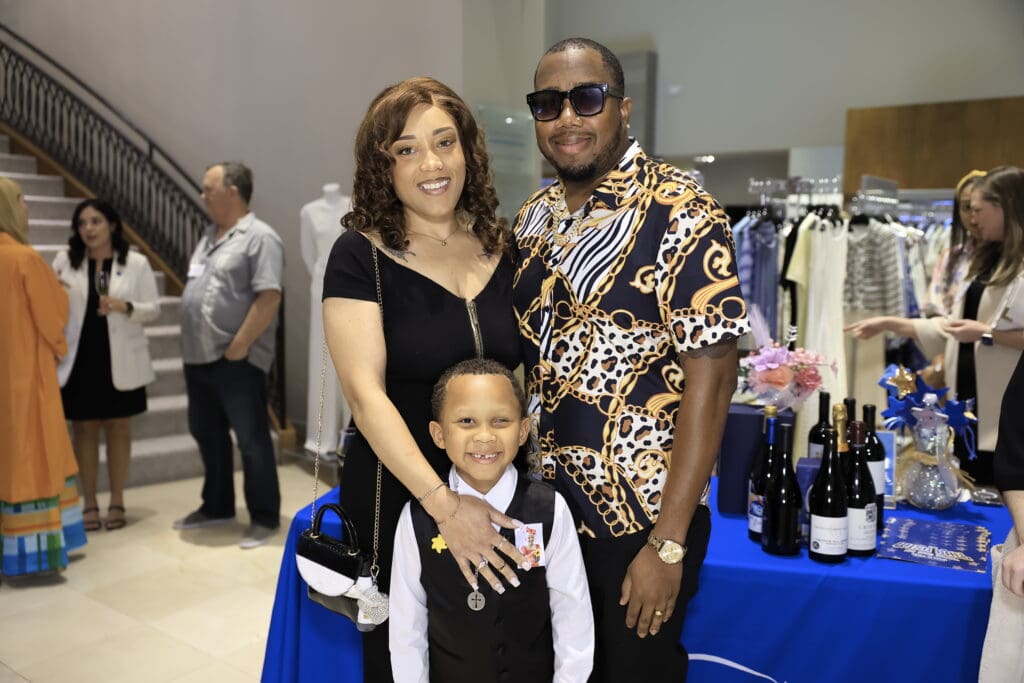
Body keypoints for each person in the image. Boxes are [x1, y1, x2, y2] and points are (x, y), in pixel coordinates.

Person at [513, 38, 750, 682]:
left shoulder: (682, 210)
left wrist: (667, 544)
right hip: (545, 512)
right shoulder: (531, 221)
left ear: (623, 109)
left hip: (639, 519)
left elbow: (715, 378)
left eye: (586, 98)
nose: (567, 117)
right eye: (547, 103)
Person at [322, 77, 528, 682]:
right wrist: (443, 505)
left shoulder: (502, 246)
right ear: (381, 166)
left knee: (497, 651)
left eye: (445, 142)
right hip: (399, 494)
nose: (432, 163)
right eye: (406, 150)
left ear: (469, 151)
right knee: (404, 658)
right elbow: (365, 395)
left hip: (497, 490)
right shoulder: (360, 255)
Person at [389, 358, 594, 682]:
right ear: (439, 434)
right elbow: (406, 628)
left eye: (501, 421)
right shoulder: (416, 518)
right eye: (467, 421)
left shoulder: (549, 509)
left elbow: (572, 613)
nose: (484, 436)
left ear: (523, 430)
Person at [846, 166, 1024, 486]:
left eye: (978, 209)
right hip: (967, 403)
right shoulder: (983, 259)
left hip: (1004, 410)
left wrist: (986, 333)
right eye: (966, 209)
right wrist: (893, 324)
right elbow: (956, 326)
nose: (972, 218)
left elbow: (978, 329)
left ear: (1004, 207)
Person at [174, 162, 284, 549]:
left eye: (209, 189)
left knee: (252, 439)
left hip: (237, 358)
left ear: (233, 191)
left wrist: (239, 345)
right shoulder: (208, 236)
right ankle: (216, 505)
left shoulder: (260, 237)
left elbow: (269, 296)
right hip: (198, 357)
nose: (202, 195)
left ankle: (264, 517)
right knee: (207, 433)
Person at [52, 199, 160, 531]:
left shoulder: (136, 263)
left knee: (118, 427)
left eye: (96, 221)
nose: (88, 229)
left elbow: (153, 309)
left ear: (112, 225)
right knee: (83, 429)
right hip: (80, 357)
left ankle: (116, 500)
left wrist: (124, 305)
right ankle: (89, 503)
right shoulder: (65, 261)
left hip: (120, 356)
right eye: (82, 223)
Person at [0, 177, 87, 576]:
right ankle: (28, 555)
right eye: (22, 202)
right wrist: (63, 293)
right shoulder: (24, 259)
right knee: (30, 458)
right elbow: (53, 323)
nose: (28, 211)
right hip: (24, 381)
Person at [300, 182, 351, 457]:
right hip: (321, 285)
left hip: (351, 286)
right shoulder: (309, 212)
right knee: (322, 358)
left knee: (351, 358)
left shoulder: (352, 204)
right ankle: (321, 436)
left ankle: (351, 431)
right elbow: (309, 256)